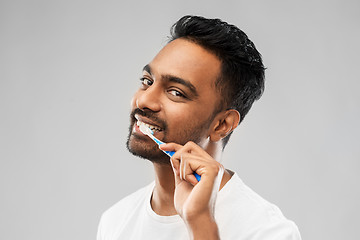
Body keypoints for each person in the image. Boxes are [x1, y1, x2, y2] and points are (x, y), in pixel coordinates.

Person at [97, 15, 301, 240]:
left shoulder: (267, 232)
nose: (144, 101)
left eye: (176, 92)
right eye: (147, 81)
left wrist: (201, 224)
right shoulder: (115, 221)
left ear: (222, 124)